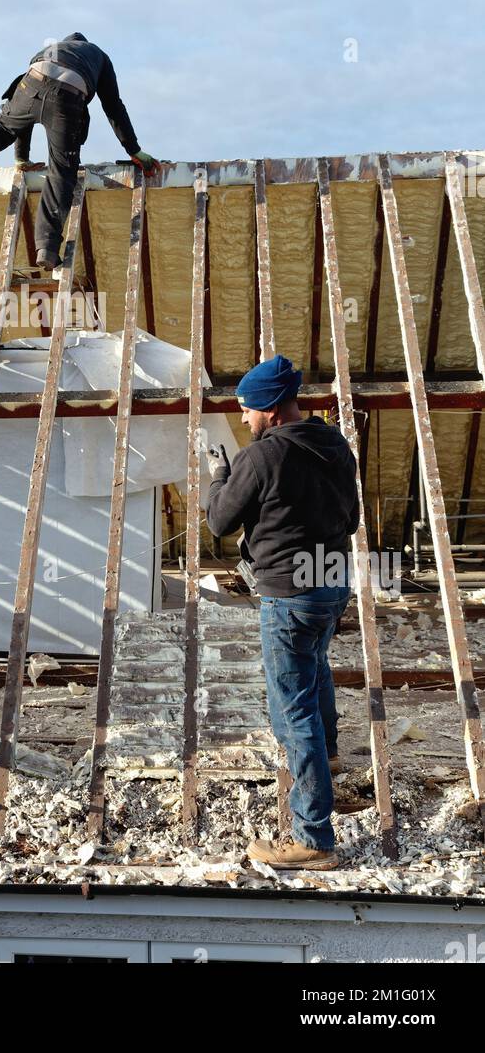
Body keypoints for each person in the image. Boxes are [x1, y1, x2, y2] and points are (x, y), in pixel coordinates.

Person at [205, 354, 359, 870]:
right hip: (332, 580)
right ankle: (328, 759)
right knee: (315, 669)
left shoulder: (260, 458)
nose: (244, 418)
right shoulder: (336, 444)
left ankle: (313, 838)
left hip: (289, 593)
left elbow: (221, 523)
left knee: (292, 711)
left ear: (270, 409)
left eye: (248, 410)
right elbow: (353, 519)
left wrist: (217, 477)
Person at [0, 34, 159, 269]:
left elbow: (21, 111)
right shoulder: (100, 58)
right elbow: (113, 107)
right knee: (62, 171)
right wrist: (134, 149)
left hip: (31, 82)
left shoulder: (52, 49)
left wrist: (21, 158)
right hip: (68, 96)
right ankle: (47, 248)